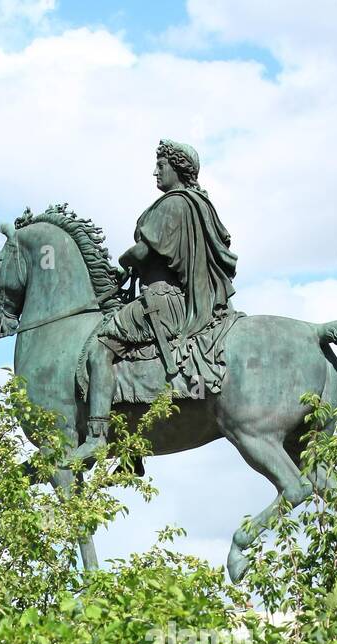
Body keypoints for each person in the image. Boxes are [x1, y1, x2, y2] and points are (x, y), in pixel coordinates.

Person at [71, 138, 238, 465]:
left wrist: (124, 260)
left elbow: (143, 251)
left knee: (100, 349)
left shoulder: (174, 203)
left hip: (163, 301)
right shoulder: (199, 204)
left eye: (161, 165)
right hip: (179, 299)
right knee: (129, 352)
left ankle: (95, 437)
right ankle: (132, 448)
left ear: (177, 168)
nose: (155, 171)